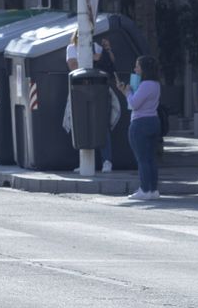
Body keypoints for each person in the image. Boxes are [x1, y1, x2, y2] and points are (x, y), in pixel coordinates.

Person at [66, 32, 121, 171]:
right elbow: (73, 67)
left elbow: (110, 63)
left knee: (102, 123)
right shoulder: (71, 48)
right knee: (81, 124)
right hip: (79, 91)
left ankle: (106, 160)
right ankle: (83, 161)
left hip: (99, 90)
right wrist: (93, 58)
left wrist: (107, 50)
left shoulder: (96, 47)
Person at [123, 56, 163, 201]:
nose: (135, 69)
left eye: (137, 66)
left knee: (142, 159)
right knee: (151, 158)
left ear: (144, 69)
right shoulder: (156, 84)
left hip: (140, 122)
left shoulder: (146, 84)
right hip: (153, 120)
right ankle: (153, 189)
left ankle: (145, 189)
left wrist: (127, 92)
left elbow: (134, 104)